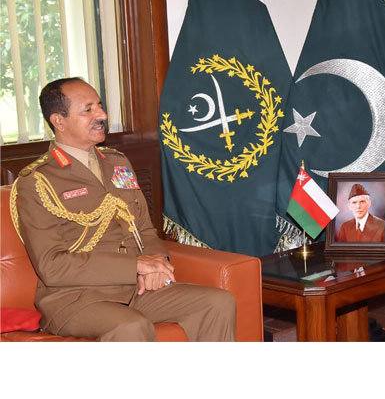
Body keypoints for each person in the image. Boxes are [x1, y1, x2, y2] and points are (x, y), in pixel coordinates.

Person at [12, 77, 236, 341]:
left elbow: (144, 228)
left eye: (100, 105)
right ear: (58, 121)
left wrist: (157, 264)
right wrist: (135, 266)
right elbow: (53, 266)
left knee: (218, 302)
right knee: (130, 327)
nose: (102, 115)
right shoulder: (37, 182)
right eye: (88, 110)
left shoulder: (117, 163)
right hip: (76, 299)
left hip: (135, 290)